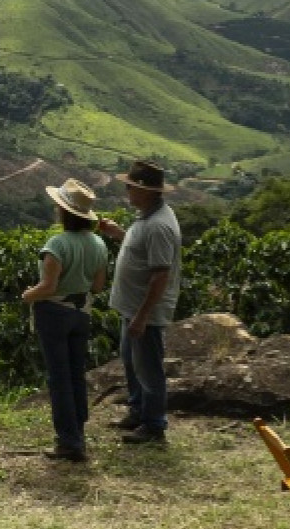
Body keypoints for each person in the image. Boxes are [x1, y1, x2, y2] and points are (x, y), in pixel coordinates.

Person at [20, 178, 109, 462]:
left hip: (54, 314)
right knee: (75, 373)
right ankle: (78, 432)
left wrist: (27, 296)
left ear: (63, 211)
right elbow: (98, 286)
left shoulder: (56, 244)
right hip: (81, 313)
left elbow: (49, 287)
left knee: (58, 377)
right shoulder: (98, 244)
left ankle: (69, 441)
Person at [96, 160, 180, 445]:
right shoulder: (148, 216)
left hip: (144, 311)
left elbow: (160, 274)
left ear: (145, 190)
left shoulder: (158, 226)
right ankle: (137, 411)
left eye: (131, 187)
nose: (127, 191)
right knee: (132, 362)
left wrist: (143, 315)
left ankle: (154, 426)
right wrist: (118, 234)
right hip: (132, 307)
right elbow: (142, 251)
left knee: (148, 368)